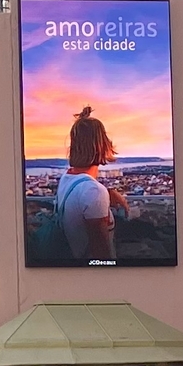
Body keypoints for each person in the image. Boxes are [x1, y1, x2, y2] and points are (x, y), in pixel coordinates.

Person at [55, 107, 131, 263]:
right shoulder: (94, 192)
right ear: (101, 146)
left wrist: (109, 193)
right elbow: (101, 258)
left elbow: (80, 198)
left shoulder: (67, 177)